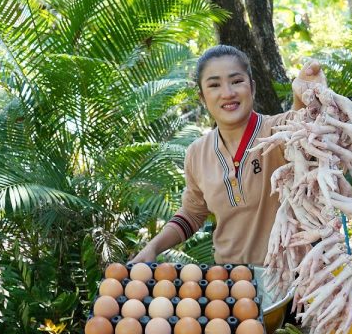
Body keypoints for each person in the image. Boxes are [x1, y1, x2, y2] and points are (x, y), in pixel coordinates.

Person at [131, 45, 325, 266]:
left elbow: (301, 127)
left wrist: (304, 94)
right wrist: (152, 248)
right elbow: (192, 213)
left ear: (251, 87)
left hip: (294, 283)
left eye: (236, 81)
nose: (228, 93)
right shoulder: (197, 153)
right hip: (229, 286)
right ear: (202, 97)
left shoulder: (276, 131)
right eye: (214, 85)